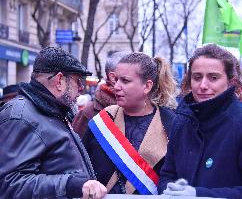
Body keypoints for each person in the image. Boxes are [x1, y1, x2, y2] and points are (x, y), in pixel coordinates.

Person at [0, 47, 107, 199]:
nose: (81, 89)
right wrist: (70, 185)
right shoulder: (20, 116)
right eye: (78, 81)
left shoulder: (54, 111)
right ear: (59, 81)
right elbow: (8, 184)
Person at [158, 44, 242, 199]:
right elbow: (167, 174)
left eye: (213, 78)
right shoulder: (181, 121)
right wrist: (170, 191)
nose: (203, 85)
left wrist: (199, 195)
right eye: (197, 77)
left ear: (231, 82)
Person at [84, 52, 177, 195]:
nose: (116, 86)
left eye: (125, 81)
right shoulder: (102, 120)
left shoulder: (171, 125)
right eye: (116, 79)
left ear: (147, 86)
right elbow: (81, 166)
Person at [72, 51, 129, 139]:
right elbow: (75, 150)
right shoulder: (88, 115)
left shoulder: (146, 111)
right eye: (129, 77)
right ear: (113, 78)